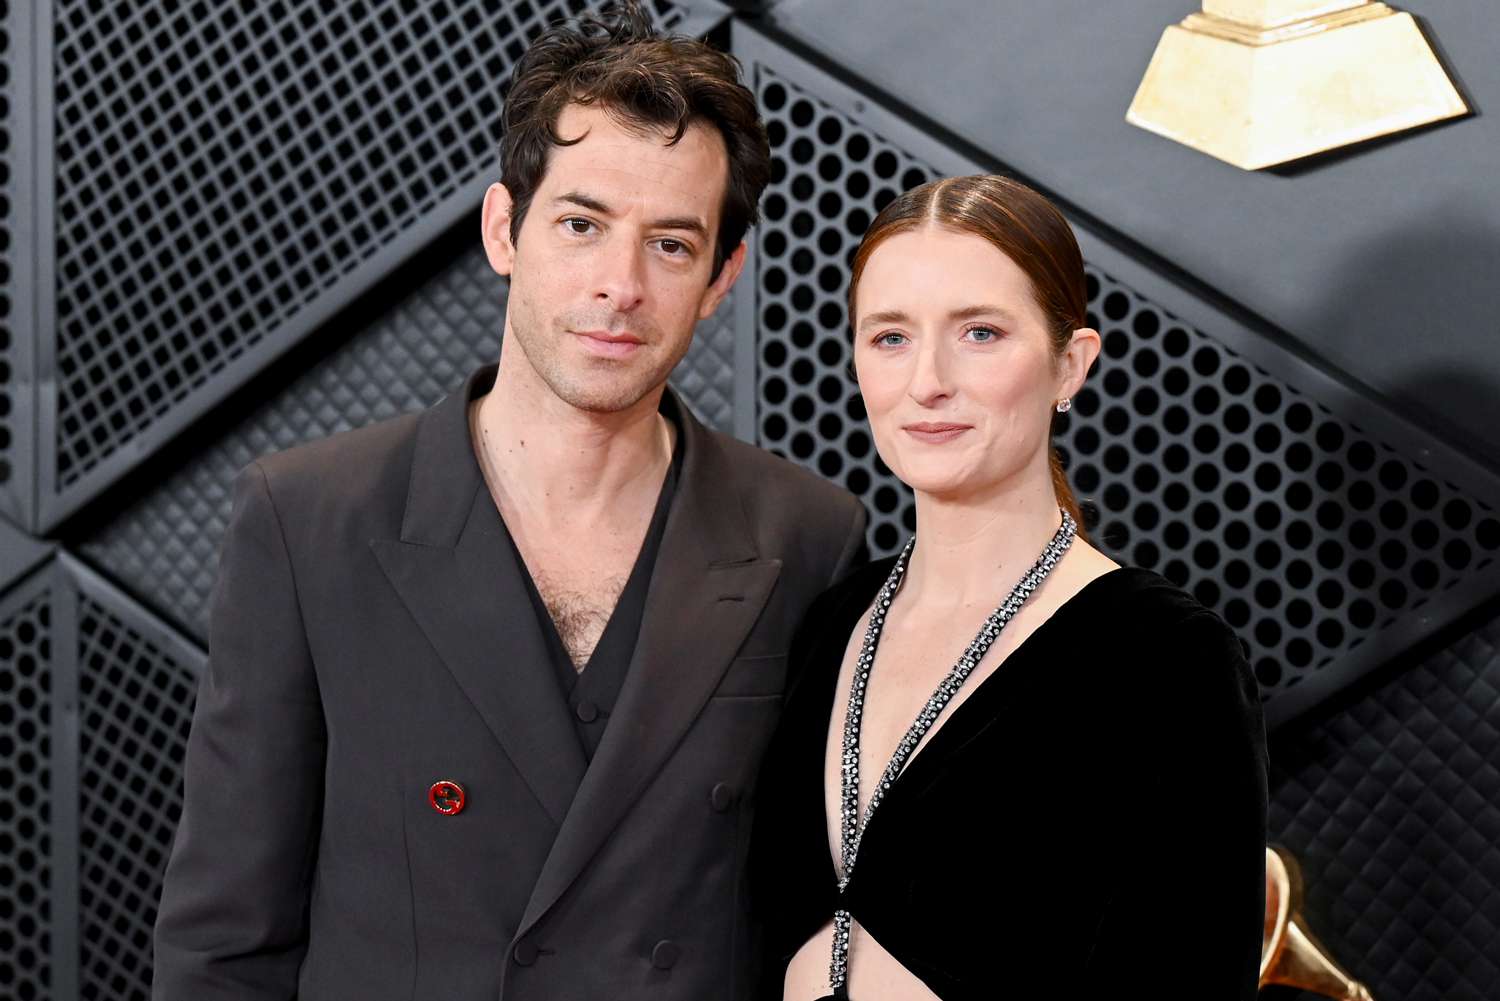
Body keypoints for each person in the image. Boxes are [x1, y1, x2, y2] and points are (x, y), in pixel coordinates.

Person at [152, 6, 867, 1000]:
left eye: (670, 244)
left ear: (721, 277)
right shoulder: (311, 517)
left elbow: (814, 912)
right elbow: (225, 937)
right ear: (504, 230)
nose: (620, 284)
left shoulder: (808, 535)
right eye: (582, 224)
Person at [750, 175, 1268, 1001]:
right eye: (889, 337)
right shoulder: (830, 622)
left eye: (981, 333)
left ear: (1072, 363)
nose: (927, 381)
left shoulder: (1164, 655)